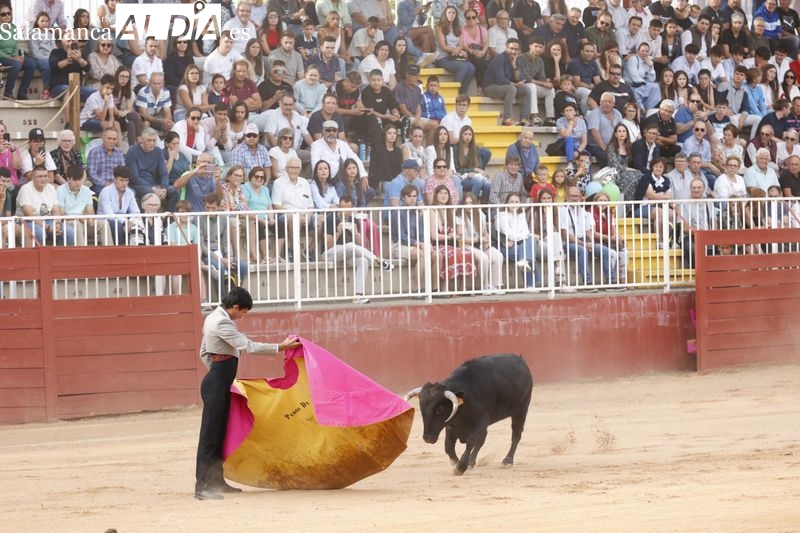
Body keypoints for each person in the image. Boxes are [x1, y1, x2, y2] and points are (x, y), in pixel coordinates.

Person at [195, 286, 300, 501]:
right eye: (242, 312)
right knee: (210, 435)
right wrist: (280, 347)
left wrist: (217, 374)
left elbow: (203, 352)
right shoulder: (222, 322)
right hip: (217, 384)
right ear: (234, 307)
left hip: (219, 382)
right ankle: (202, 486)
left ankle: (215, 481)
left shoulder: (213, 317)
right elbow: (248, 346)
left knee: (219, 433)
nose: (242, 316)